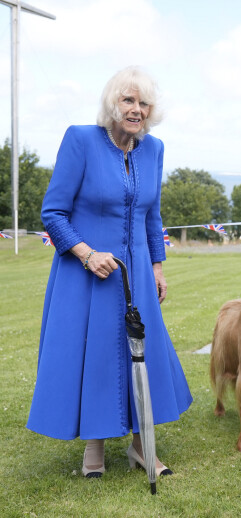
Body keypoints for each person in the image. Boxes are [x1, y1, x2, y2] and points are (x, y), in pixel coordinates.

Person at [26, 66, 193, 479]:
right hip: (87, 273)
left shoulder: (153, 149)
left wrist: (157, 265)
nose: (136, 110)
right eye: (128, 100)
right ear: (112, 103)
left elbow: (152, 214)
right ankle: (94, 447)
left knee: (143, 355)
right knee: (97, 353)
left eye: (144, 103)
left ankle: (142, 447)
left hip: (137, 272)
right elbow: (53, 212)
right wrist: (86, 254)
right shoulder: (80, 140)